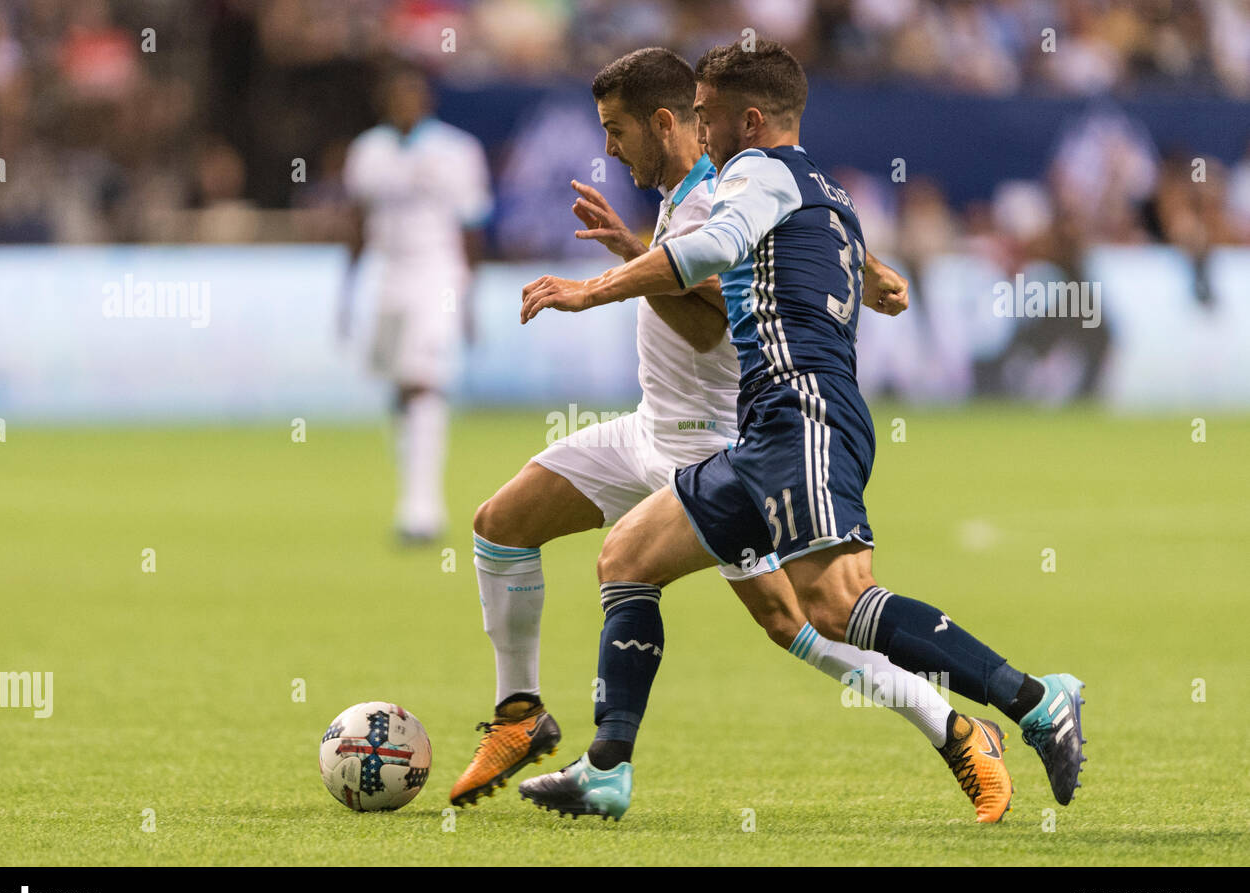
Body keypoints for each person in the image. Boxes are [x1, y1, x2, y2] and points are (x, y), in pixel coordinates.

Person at [518, 40, 1085, 820]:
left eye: (707, 115)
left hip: (804, 413)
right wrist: (877, 275)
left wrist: (593, 289)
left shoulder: (754, 171)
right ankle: (607, 769)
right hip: (767, 428)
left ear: (749, 120)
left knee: (838, 604)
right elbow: (842, 257)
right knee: (628, 559)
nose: (700, 130)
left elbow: (711, 248)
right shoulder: (826, 189)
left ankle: (1035, 699)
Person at [341, 61, 492, 542]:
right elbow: (357, 225)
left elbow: (471, 229)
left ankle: (422, 510)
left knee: (425, 379)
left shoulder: (456, 151)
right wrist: (347, 289)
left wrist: (469, 297)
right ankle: (411, 492)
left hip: (437, 273)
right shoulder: (367, 153)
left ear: (426, 100)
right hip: (388, 275)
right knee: (399, 386)